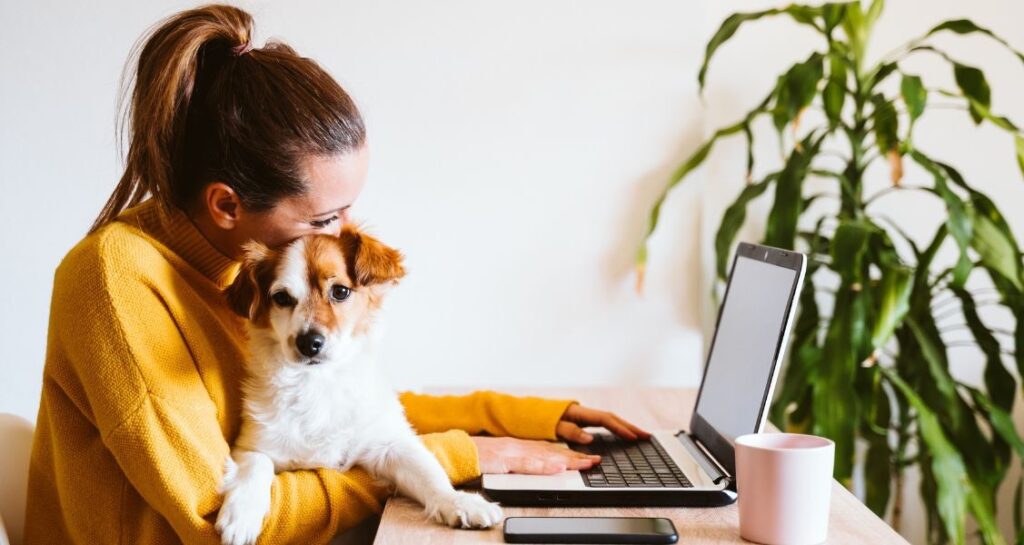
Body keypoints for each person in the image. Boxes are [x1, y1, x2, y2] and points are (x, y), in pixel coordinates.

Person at [24, 5, 649, 544]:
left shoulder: (241, 273)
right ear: (226, 206)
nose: (344, 235)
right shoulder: (117, 281)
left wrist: (511, 416)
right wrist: (455, 458)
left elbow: (336, 416)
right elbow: (212, 518)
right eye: (326, 215)